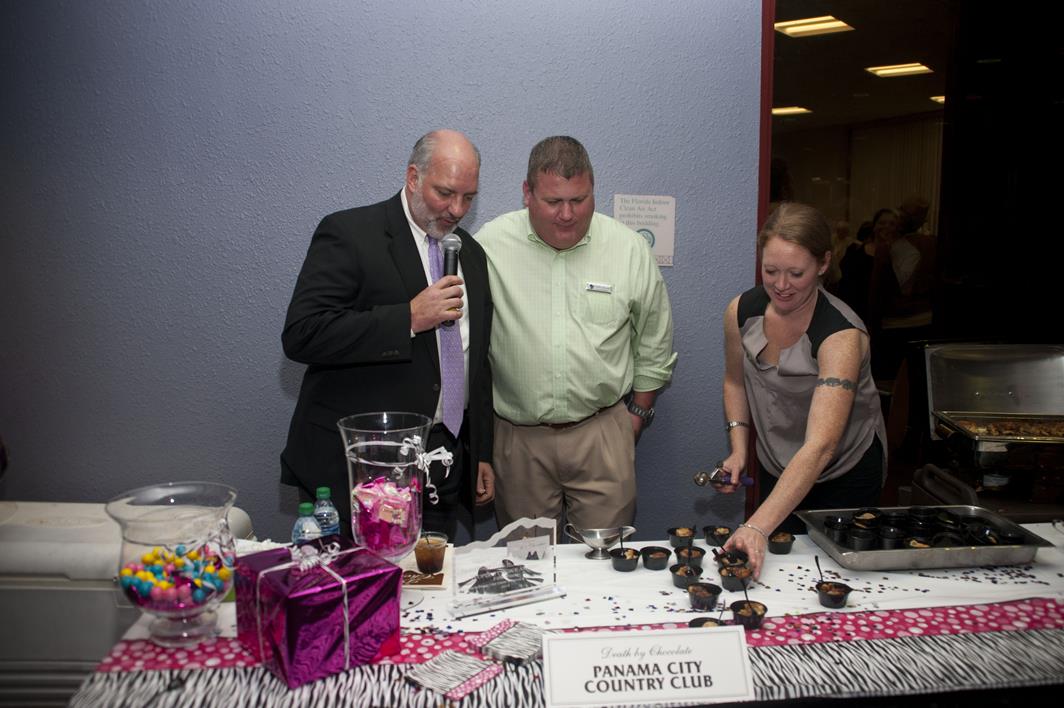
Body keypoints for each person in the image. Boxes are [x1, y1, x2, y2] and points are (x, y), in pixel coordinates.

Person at [281, 129, 495, 539]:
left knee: (432, 577)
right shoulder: (350, 233)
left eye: (468, 197)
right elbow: (303, 334)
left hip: (442, 463)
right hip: (364, 468)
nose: (457, 209)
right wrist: (408, 318)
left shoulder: (470, 252)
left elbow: (475, 360)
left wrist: (480, 450)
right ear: (413, 177)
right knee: (363, 579)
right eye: (445, 193)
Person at [474, 136, 677, 531]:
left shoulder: (628, 248)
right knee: (527, 559)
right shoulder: (489, 246)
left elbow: (654, 340)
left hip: (602, 433)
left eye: (579, 200)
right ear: (527, 193)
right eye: (553, 201)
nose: (567, 214)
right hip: (519, 439)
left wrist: (637, 415)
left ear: (593, 190)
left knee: (605, 557)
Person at [717, 202, 886, 579]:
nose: (781, 285)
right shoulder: (741, 312)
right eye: (770, 271)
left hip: (844, 470)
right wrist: (739, 449)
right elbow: (734, 381)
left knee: (833, 578)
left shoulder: (841, 335)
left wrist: (756, 525)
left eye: (796, 273)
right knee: (776, 573)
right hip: (779, 461)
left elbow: (821, 445)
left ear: (823, 264)